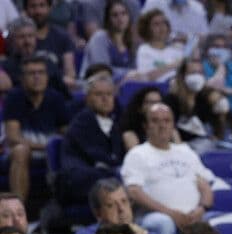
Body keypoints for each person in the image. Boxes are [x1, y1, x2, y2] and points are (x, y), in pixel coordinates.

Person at [121, 103, 216, 234]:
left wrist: (201, 209)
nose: (162, 125)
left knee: (217, 221)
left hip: (194, 215)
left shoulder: (185, 151)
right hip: (155, 216)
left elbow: (205, 185)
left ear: (173, 125)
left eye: (167, 121)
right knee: (163, 223)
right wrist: (170, 213)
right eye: (155, 121)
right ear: (146, 126)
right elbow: (134, 191)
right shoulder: (137, 154)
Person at [3, 55, 68, 205]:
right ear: (22, 78)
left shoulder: (56, 98)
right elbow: (13, 138)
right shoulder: (14, 97)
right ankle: (18, 209)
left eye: (41, 73)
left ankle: (58, 211)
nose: (37, 77)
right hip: (22, 153)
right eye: (32, 73)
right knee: (21, 150)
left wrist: (53, 147)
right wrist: (46, 147)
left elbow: (67, 132)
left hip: (50, 152)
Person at [57, 72, 124, 207]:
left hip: (103, 174)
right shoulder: (82, 121)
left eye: (109, 94)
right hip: (81, 178)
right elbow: (96, 155)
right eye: (99, 94)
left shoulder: (114, 122)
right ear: (87, 98)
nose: (105, 99)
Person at [82, 0, 134, 83]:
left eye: (124, 14)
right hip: (94, 84)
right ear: (108, 19)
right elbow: (102, 70)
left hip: (122, 83)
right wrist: (129, 74)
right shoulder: (99, 38)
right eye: (115, 15)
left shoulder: (130, 40)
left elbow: (135, 69)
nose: (120, 18)